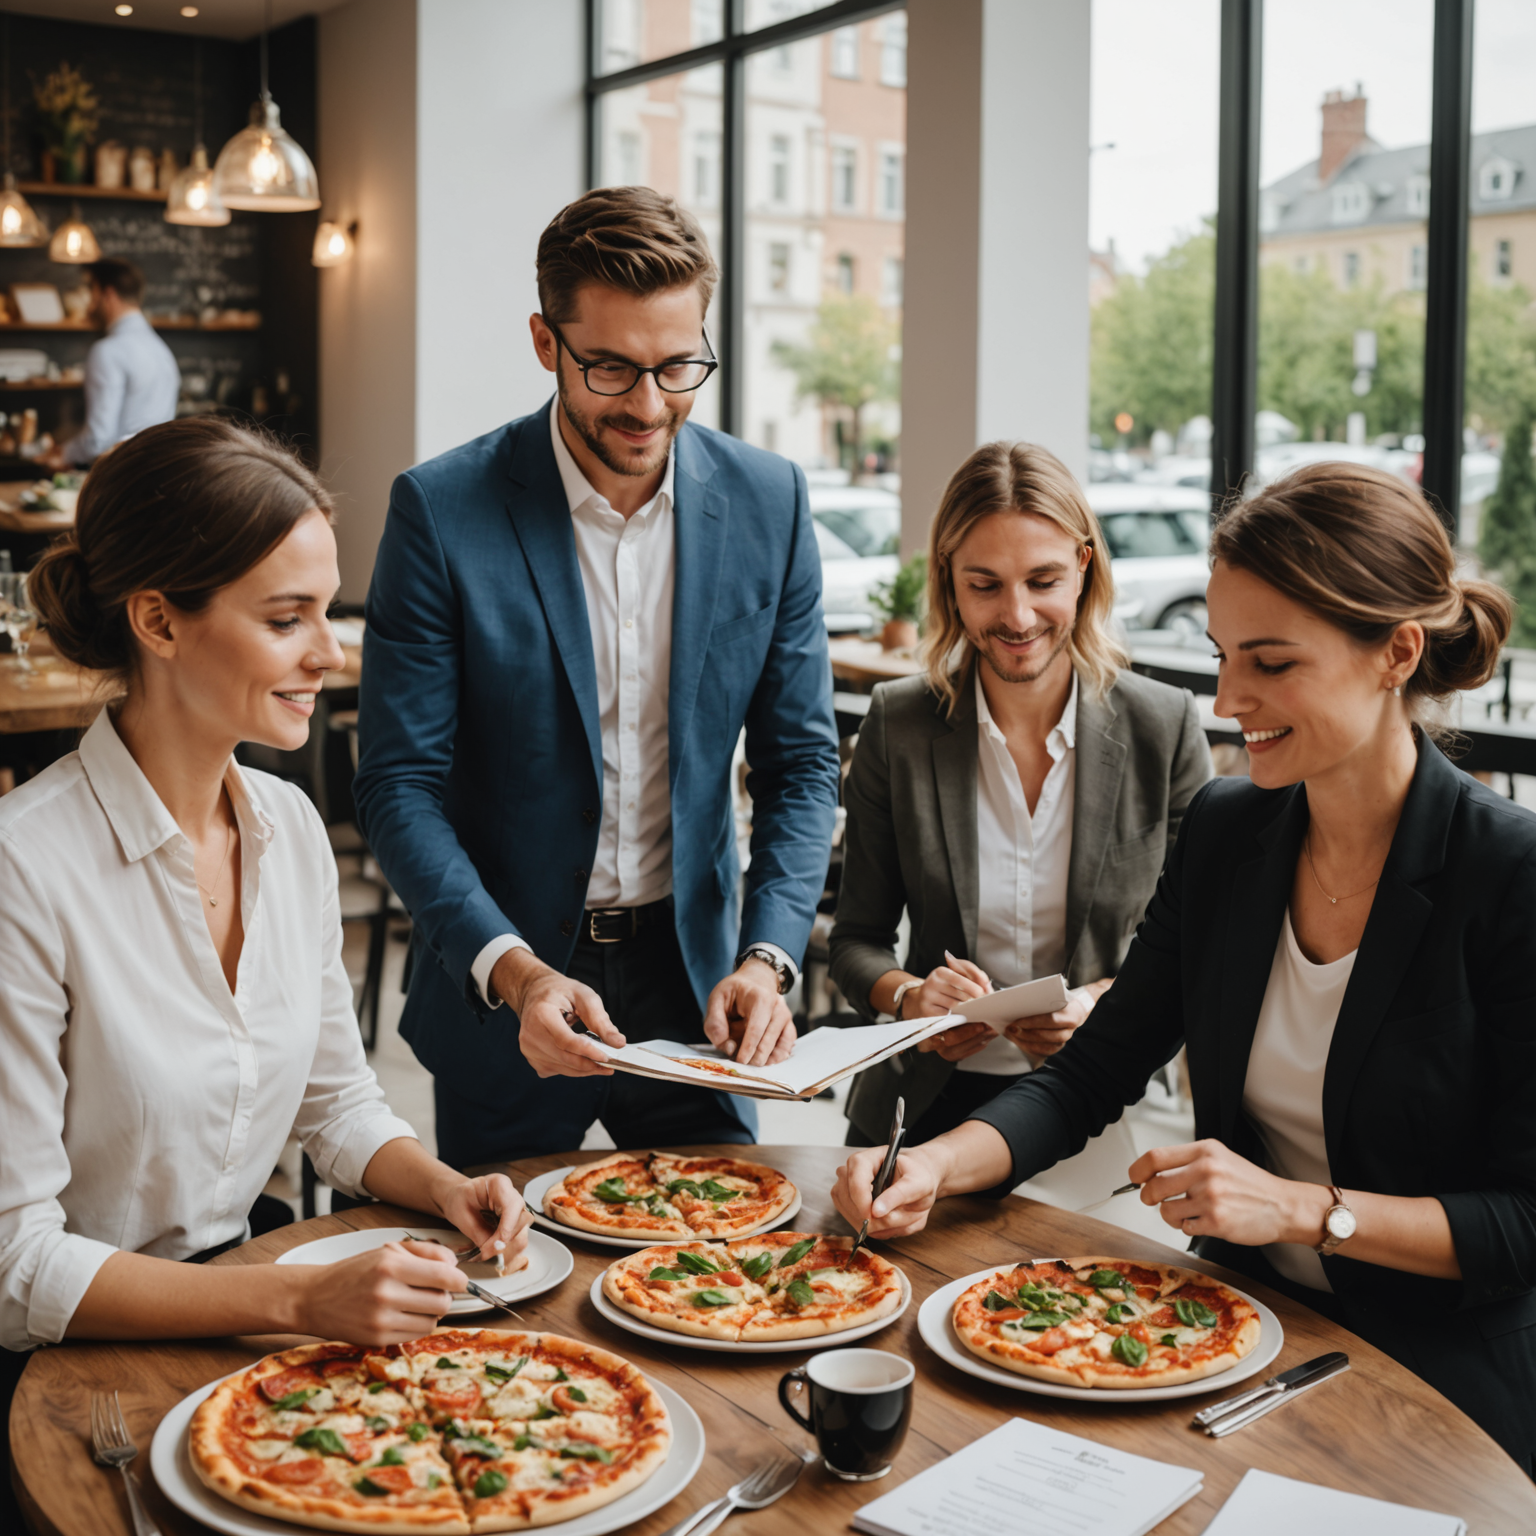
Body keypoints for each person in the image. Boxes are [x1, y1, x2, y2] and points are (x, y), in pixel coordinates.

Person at [831, 462, 1536, 1472]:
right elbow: (1090, 1072)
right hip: (1230, 1334)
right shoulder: (1230, 830)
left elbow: (1524, 1223)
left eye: (1272, 663)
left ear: (1398, 653)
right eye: (1220, 656)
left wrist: (1301, 1209)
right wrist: (931, 1169)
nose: (1231, 697)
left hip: (1437, 1385)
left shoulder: (1509, 872)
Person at [1, 419, 530, 1467]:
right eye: (288, 618)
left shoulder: (287, 834)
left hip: (249, 1335)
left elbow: (334, 1102)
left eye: (327, 610)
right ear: (158, 620)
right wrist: (297, 1296)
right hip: (65, 1384)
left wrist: (438, 1185)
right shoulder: (26, 868)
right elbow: (16, 1263)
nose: (331, 651)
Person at [353, 187, 841, 1169]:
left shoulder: (770, 502)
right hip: (510, 987)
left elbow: (801, 765)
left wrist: (768, 953)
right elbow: (397, 788)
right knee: (505, 1292)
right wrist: (511, 968)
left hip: (698, 980)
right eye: (612, 367)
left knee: (719, 1286)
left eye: (679, 366)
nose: (650, 405)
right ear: (546, 342)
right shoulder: (441, 512)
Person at [829, 441, 1211, 1148]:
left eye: (1043, 581)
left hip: (1090, 1101)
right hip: (920, 1109)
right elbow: (857, 944)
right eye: (985, 585)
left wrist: (1100, 1003)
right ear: (949, 580)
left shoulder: (1163, 726)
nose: (1018, 616)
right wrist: (913, 997)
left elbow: (1203, 946)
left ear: (1083, 569)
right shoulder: (899, 722)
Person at [42, 258, 180, 469]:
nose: (88, 305)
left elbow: (98, 439)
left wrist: (63, 454)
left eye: (90, 292)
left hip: (120, 477)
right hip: (157, 473)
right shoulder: (162, 350)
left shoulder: (108, 351)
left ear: (107, 294)